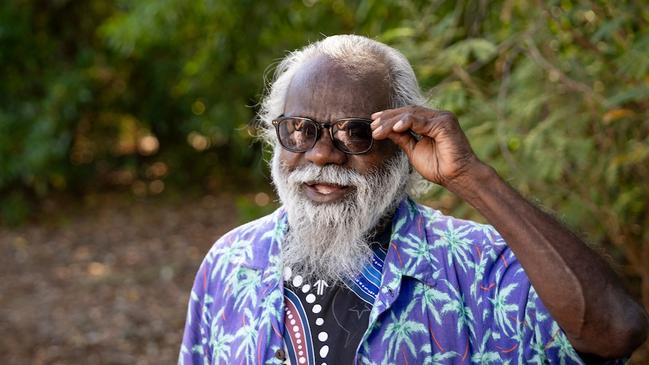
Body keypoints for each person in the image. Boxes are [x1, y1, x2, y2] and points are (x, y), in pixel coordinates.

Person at [178, 35, 648, 365]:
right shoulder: (230, 262)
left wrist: (472, 178)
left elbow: (614, 330)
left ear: (403, 142)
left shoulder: (478, 266)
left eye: (355, 132)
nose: (322, 153)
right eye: (300, 129)